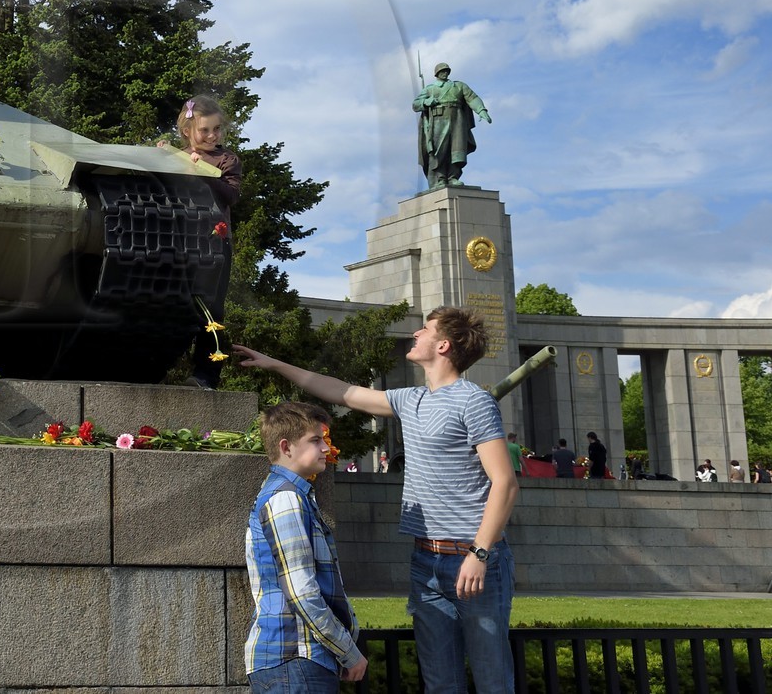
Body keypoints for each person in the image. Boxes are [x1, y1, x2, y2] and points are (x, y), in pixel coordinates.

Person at [234, 306, 518, 693]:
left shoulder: (474, 402)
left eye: (425, 329)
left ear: (443, 345)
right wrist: (274, 364)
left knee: (492, 681)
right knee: (439, 684)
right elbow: (342, 391)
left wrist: (479, 553)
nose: (416, 334)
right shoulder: (411, 400)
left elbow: (505, 483)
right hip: (426, 561)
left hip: (474, 558)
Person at [243, 401, 367, 691]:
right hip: (296, 657)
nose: (325, 448)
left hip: (294, 661)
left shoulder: (288, 495)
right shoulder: (285, 499)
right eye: (315, 440)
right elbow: (302, 593)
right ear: (286, 447)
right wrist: (348, 652)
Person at [158, 95, 243, 389]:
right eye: (204, 130)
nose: (212, 135)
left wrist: (204, 173)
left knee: (211, 309)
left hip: (214, 244)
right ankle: (158, 366)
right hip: (176, 241)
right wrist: (163, 159)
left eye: (217, 129)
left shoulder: (226, 159)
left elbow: (231, 195)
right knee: (172, 303)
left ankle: (206, 374)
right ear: (187, 131)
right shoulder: (177, 156)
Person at [413, 62, 491, 188]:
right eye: (442, 71)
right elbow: (415, 104)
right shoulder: (430, 88)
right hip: (438, 120)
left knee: (457, 149)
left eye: (446, 71)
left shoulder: (459, 86)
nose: (444, 73)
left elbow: (472, 98)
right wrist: (426, 101)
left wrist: (482, 110)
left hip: (457, 119)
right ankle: (441, 178)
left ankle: (453, 177)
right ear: (436, 74)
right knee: (439, 151)